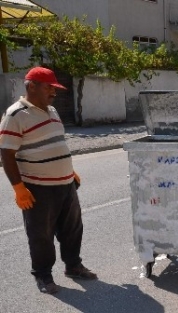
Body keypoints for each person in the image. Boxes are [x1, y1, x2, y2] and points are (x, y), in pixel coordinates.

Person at [0, 67, 97, 295]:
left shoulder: (52, 110)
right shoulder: (15, 115)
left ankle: (73, 266)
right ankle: (43, 275)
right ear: (31, 86)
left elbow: (56, 143)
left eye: (55, 88)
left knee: (72, 228)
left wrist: (69, 172)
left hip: (66, 184)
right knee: (41, 235)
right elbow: (6, 155)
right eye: (49, 87)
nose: (53, 92)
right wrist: (18, 188)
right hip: (38, 188)